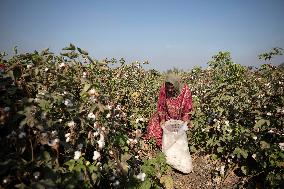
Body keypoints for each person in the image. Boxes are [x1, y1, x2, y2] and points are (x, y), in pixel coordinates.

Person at [146, 73, 193, 148]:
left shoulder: (185, 90)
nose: (170, 90)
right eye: (168, 88)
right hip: (167, 115)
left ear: (176, 84)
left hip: (180, 117)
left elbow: (187, 108)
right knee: (154, 123)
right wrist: (162, 119)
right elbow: (161, 104)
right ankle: (157, 145)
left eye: (172, 87)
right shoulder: (164, 88)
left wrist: (185, 120)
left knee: (183, 130)